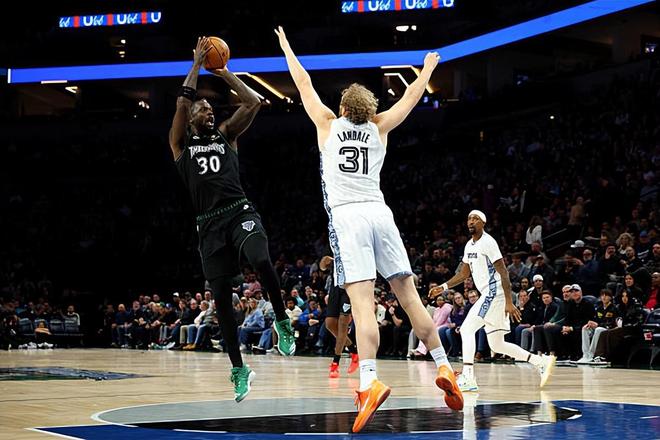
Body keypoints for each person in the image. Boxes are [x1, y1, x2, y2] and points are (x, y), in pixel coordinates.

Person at [275, 26, 462, 433]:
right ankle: (445, 366)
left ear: (343, 108)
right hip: (380, 213)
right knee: (410, 298)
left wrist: (287, 47)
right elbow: (410, 99)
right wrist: (427, 69)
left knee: (361, 306)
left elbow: (303, 83)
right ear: (367, 110)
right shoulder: (380, 127)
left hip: (348, 218)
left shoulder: (327, 124)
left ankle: (369, 381)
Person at [169, 37, 296, 402]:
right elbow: (182, 102)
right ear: (192, 118)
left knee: (260, 259)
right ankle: (239, 369)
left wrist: (224, 72)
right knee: (222, 300)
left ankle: (282, 321)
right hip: (209, 224)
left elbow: (254, 101)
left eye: (211, 108)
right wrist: (196, 65)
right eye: (203, 109)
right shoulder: (180, 144)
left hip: (238, 210)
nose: (209, 112)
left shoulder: (226, 135)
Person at [430, 210, 555, 393]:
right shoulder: (469, 245)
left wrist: (509, 302)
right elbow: (464, 274)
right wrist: (443, 287)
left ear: (483, 223)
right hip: (488, 294)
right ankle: (540, 362)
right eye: (469, 218)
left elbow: (503, 272)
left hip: (494, 293)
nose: (471, 221)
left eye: (475, 219)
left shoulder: (488, 242)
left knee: (466, 329)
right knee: (497, 344)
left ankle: (468, 377)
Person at [320, 255, 359, 378]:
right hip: (335, 288)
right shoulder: (336, 249)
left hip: (349, 289)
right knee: (329, 323)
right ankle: (354, 351)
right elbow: (322, 267)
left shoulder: (355, 252)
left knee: (342, 326)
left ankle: (335, 363)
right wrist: (325, 260)